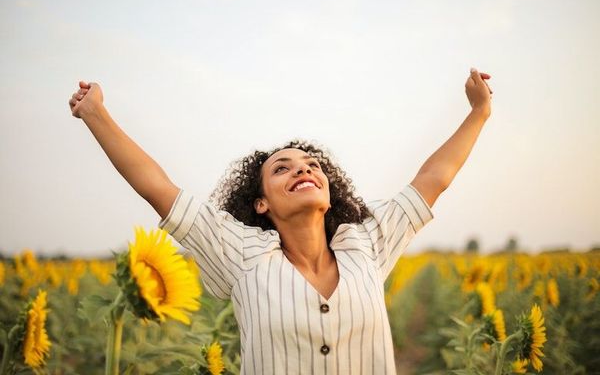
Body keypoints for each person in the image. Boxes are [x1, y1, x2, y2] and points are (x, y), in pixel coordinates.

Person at [68, 68, 492, 374]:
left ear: (329, 191)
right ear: (260, 204)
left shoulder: (367, 242)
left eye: (311, 165)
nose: (303, 170)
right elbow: (157, 188)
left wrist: (479, 112)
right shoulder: (241, 255)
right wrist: (95, 114)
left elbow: (434, 179)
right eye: (282, 169)